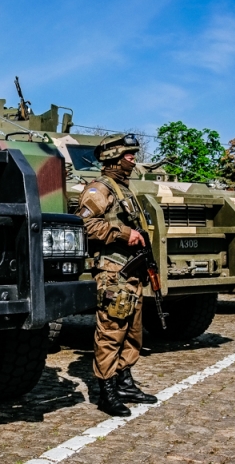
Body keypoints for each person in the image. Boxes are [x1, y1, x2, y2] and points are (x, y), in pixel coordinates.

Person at [75, 134, 158, 416]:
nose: (133, 159)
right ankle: (106, 392)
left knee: (133, 332)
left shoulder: (124, 189)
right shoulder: (99, 189)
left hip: (130, 271)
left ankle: (125, 381)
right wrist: (125, 233)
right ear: (113, 158)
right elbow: (85, 225)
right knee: (111, 331)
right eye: (128, 155)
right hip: (113, 272)